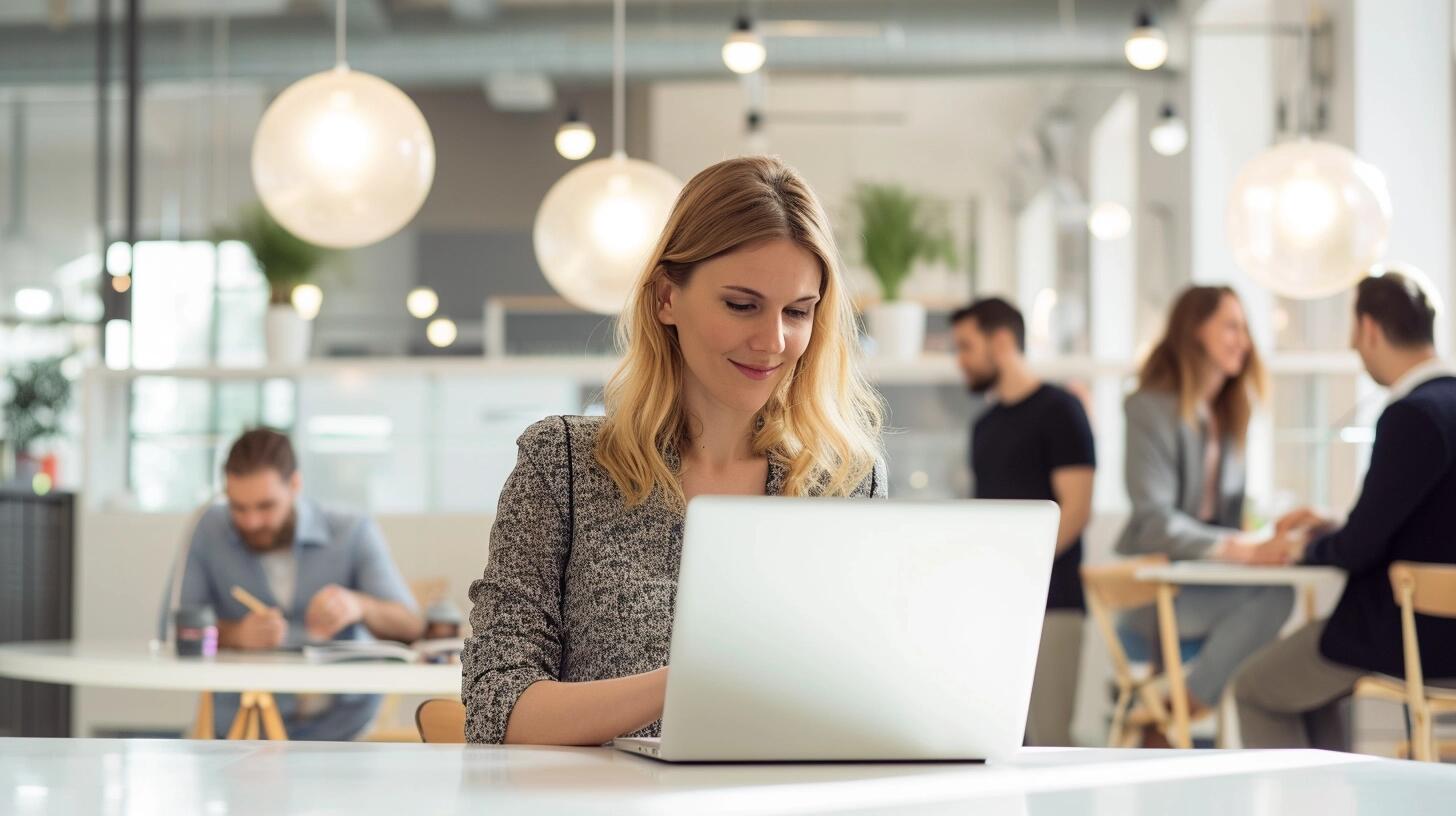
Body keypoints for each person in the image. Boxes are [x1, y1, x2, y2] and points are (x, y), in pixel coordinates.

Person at [463, 156, 888, 746]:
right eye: (741, 305)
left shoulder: (846, 483)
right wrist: (695, 678)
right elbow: (496, 709)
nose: (773, 341)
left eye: (798, 312)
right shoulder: (562, 465)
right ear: (667, 297)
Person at [1234, 271, 1456, 749]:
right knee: (1308, 693)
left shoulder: (1412, 415)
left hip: (1414, 636)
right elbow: (1431, 522)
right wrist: (1338, 524)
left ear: (1370, 330)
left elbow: (1359, 549)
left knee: (1254, 689)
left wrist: (1299, 550)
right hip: (1443, 631)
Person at [164, 428, 424, 740]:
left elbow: (411, 626)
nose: (251, 522)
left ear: (295, 485)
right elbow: (174, 630)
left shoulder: (352, 530)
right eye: (238, 508)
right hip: (241, 726)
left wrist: (359, 605)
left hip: (343, 724)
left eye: (265, 506)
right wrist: (236, 634)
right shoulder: (209, 528)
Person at [1116, 286, 1294, 736]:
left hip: (1208, 588)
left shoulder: (1231, 415)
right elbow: (1154, 522)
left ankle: (1171, 710)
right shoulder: (1148, 409)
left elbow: (1230, 520)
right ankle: (1177, 712)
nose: (1244, 341)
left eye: (1245, 329)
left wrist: (1271, 533)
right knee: (1276, 596)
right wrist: (1238, 548)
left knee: (1279, 590)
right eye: (1231, 326)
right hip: (1157, 593)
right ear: (1195, 330)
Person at [952, 297, 1095, 746]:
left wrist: (1022, 569)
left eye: (966, 346)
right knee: (1000, 743)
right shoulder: (984, 426)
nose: (961, 361)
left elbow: (1076, 509)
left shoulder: (1061, 410)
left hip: (1054, 602)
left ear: (1002, 341)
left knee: (1050, 741)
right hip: (995, 605)